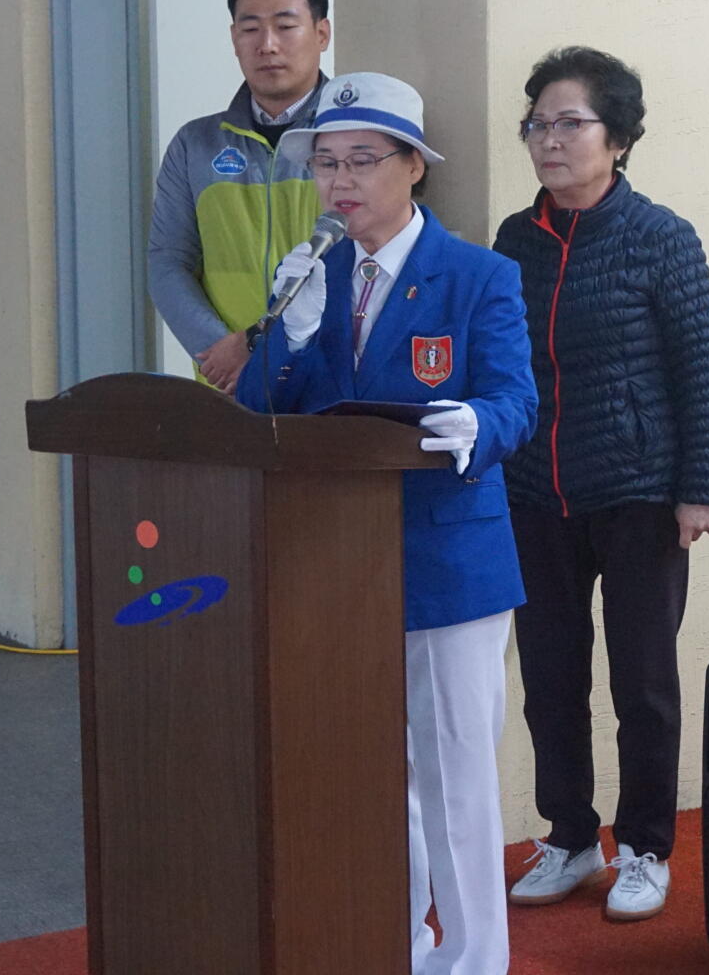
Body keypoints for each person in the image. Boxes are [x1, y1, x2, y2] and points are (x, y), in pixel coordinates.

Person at [234, 72, 536, 975]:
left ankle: (474, 960)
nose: (340, 180)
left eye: (362, 160)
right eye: (325, 162)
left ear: (413, 167)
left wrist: (477, 424)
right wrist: (286, 337)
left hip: (449, 561)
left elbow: (516, 400)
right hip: (339, 562)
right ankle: (391, 946)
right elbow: (257, 414)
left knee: (455, 777)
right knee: (367, 775)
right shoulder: (310, 275)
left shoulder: (479, 275)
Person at [492, 46, 709, 923]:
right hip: (534, 494)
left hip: (639, 494)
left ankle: (644, 848)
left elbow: (701, 370)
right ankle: (569, 837)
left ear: (619, 138)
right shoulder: (515, 240)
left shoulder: (661, 237)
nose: (548, 140)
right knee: (551, 679)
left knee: (643, 685)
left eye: (570, 123)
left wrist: (702, 487)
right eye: (536, 124)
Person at [148, 0, 332, 392]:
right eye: (250, 29)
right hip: (227, 384)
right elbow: (168, 261)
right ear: (234, 39)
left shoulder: (353, 139)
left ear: (321, 34)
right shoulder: (195, 144)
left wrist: (267, 348)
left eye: (285, 26)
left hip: (327, 375)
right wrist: (219, 351)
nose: (267, 45)